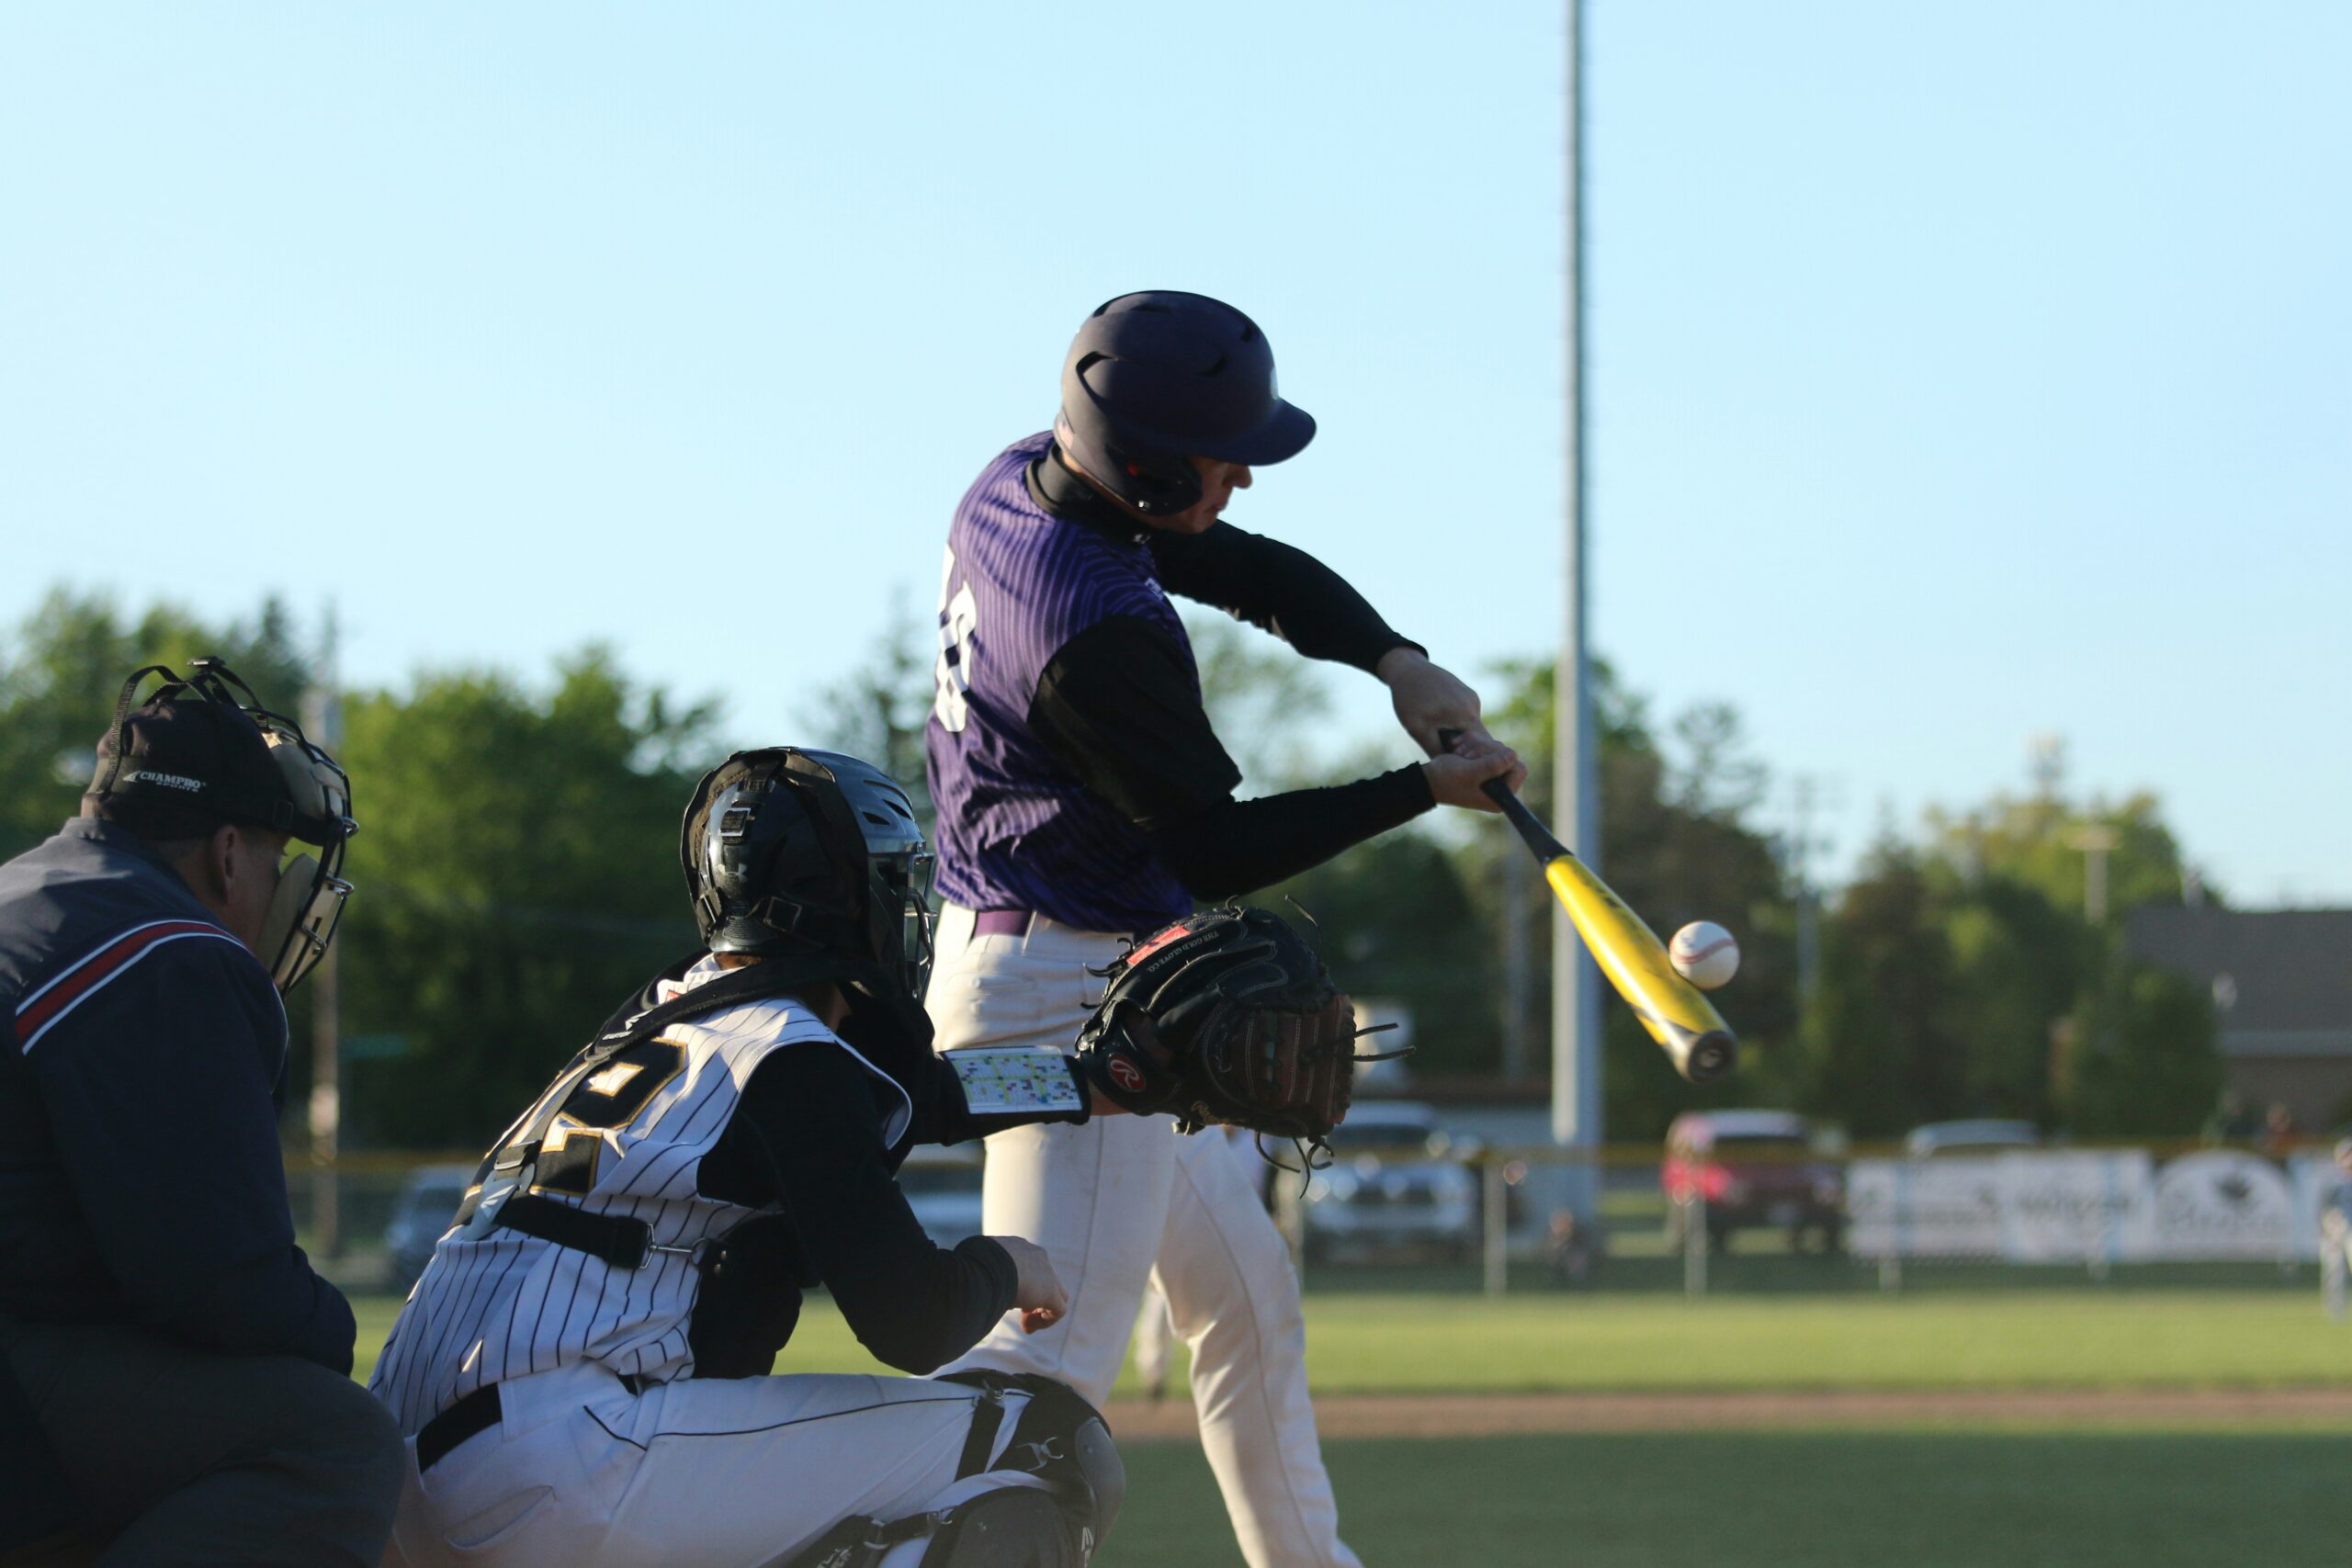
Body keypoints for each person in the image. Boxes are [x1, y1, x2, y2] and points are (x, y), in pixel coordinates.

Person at [925, 289, 1524, 1568]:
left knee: (1247, 1302)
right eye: (1221, 454)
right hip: (1060, 991)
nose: (1245, 473)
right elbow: (1218, 849)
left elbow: (1245, 569)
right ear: (1139, 460)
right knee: (1045, 1372)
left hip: (1078, 955)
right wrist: (1422, 792)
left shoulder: (1027, 477)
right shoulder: (1088, 626)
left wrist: (1393, 659)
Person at [368, 749, 1141, 1568]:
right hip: (559, 1460)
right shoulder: (789, 1051)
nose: (905, 904)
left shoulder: (658, 1027)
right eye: (890, 878)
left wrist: (1093, 1080)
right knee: (1046, 1438)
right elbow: (913, 1320)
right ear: (845, 897)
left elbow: (923, 1095)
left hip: (404, 1483)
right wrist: (1005, 1263)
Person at [0, 659, 399, 1565]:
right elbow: (222, 1287)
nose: (279, 883)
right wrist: (328, 1332)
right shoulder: (167, 947)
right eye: (275, 855)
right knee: (329, 1439)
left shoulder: (25, 893)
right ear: (227, 853)